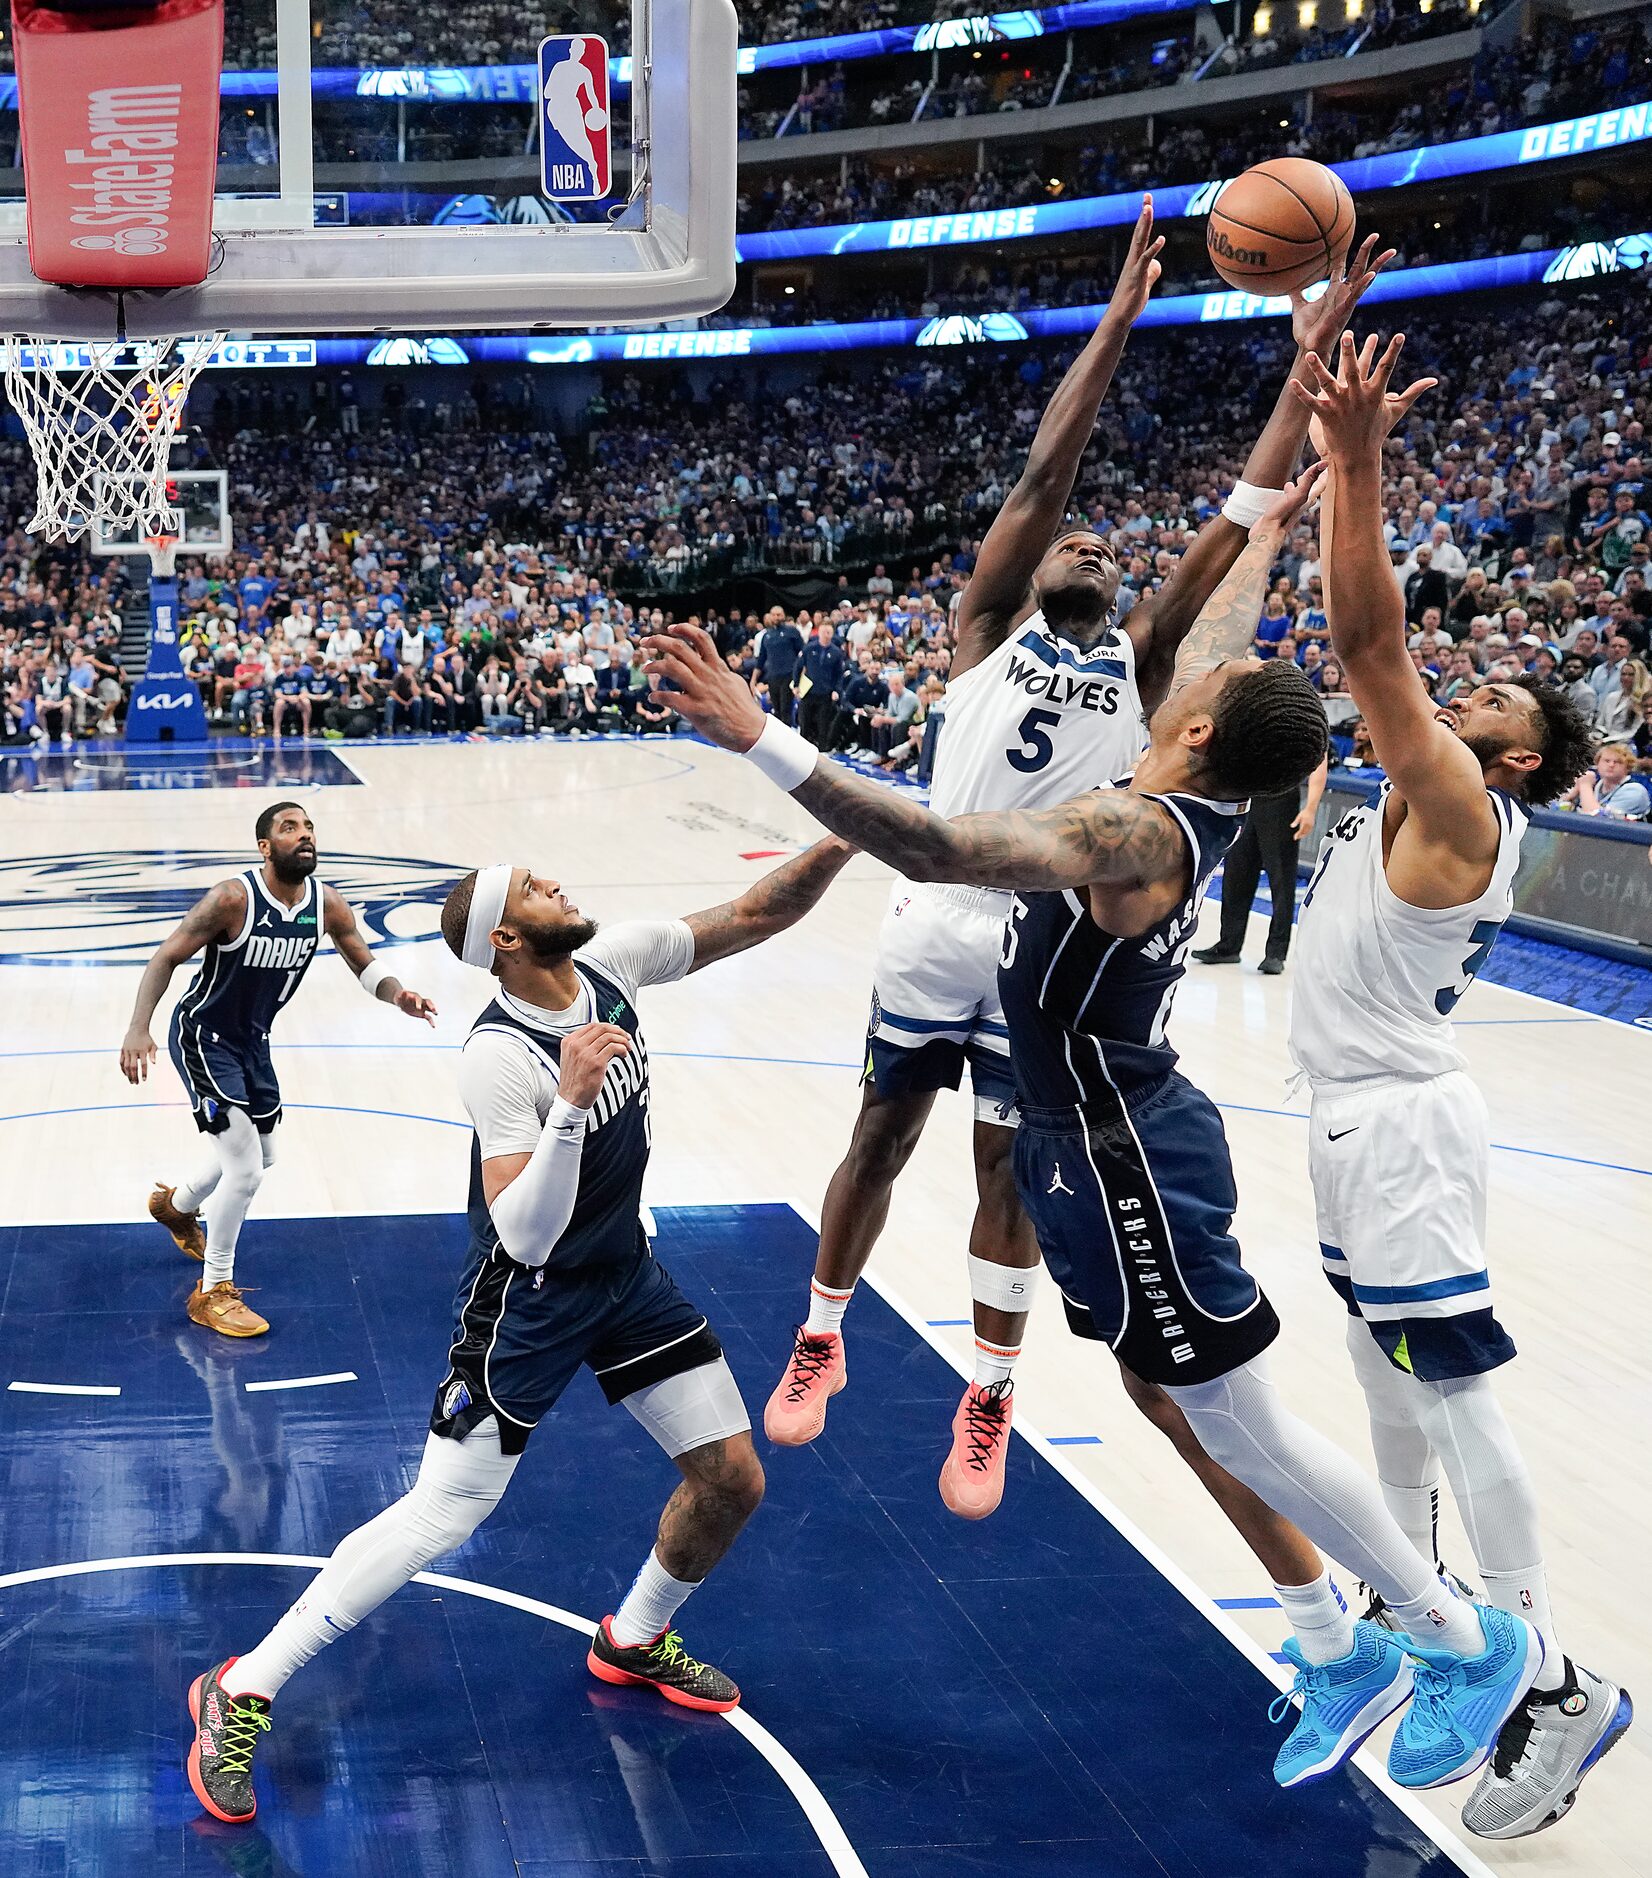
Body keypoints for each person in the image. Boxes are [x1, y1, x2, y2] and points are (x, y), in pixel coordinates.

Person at [646, 598, 1543, 1801]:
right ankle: (1338, 1645)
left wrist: (762, 733)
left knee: (1234, 1416)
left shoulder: (1141, 833)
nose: (1164, 671)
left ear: (1201, 725)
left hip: (1126, 1153)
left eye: (1193, 677)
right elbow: (1219, 615)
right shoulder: (1181, 798)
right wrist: (1277, 478)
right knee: (1170, 1397)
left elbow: (938, 851)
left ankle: (1453, 1644)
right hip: (1080, 1144)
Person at [749, 198, 1392, 1525]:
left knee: (1010, 1175)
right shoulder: (985, 624)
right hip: (934, 914)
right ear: (1027, 564)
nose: (1095, 536)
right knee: (879, 1137)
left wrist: (1305, 367)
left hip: (1034, 942)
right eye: (1075, 537)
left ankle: (988, 1388)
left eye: (1110, 541)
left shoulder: (1140, 659)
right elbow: (1047, 468)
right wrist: (1113, 324)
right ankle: (823, 1324)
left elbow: (1245, 503)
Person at [183, 839, 855, 1827]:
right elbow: (523, 1230)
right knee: (441, 1515)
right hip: (527, 1302)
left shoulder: (613, 966)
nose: (559, 883)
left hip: (624, 1275)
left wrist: (845, 836)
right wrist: (573, 1102)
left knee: (731, 1477)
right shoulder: (499, 1055)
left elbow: (754, 913)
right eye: (537, 886)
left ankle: (632, 1636)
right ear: (503, 935)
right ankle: (240, 1688)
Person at [1288, 332, 1629, 1840]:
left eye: (1501, 697)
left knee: (1462, 1403)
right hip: (1355, 1120)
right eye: (1473, 681)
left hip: (1407, 1125)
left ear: (1528, 762)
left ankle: (1545, 1675)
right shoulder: (1413, 788)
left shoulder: (1462, 803)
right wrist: (1317, 455)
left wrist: (1356, 461)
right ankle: (1427, 1616)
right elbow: (1357, 647)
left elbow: (1369, 651)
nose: (1473, 690)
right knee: (1387, 1393)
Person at [119, 803, 439, 1337]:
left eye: (309, 827)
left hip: (253, 1042)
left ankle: (176, 1207)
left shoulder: (326, 904)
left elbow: (364, 961)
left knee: (263, 1155)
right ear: (265, 847)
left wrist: (398, 994)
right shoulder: (232, 899)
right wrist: (137, 1027)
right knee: (243, 1169)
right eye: (289, 828)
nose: (304, 835)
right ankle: (213, 1290)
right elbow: (165, 958)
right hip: (203, 1037)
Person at [1192, 753, 1327, 974]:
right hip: (1246, 796)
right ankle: (1228, 945)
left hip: (1280, 799)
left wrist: (1310, 809)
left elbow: (1319, 763)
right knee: (1236, 873)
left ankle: (1276, 953)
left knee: (1281, 877)